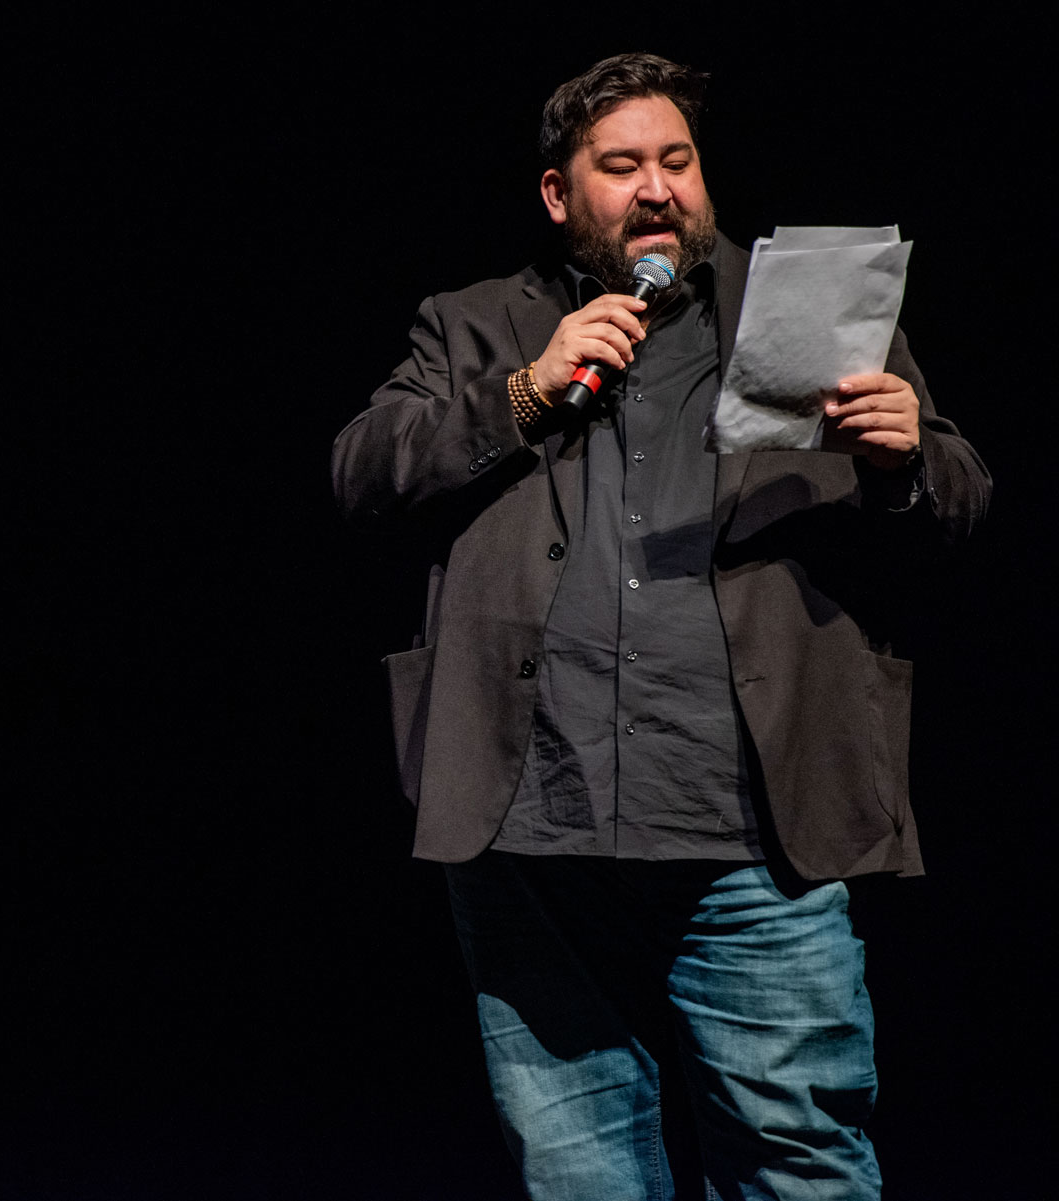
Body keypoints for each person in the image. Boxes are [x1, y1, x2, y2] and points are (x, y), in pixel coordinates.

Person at [331, 54, 990, 1199]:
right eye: (621, 165)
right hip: (535, 824)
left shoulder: (816, 312)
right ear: (559, 194)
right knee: (577, 1172)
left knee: (801, 1161)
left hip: (751, 832)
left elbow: (960, 499)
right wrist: (526, 393)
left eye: (676, 162)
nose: (656, 189)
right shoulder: (476, 324)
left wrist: (904, 458)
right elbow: (361, 475)